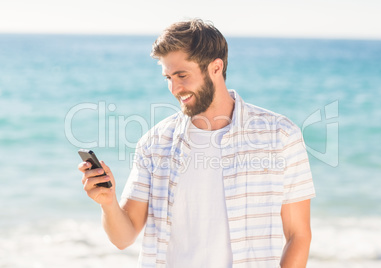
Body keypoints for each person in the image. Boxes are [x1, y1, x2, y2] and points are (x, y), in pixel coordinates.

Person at [79, 19, 315, 268]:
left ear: (216, 68)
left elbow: (298, 235)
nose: (174, 87)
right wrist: (108, 202)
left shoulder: (280, 136)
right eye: (168, 77)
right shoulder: (154, 144)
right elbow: (123, 238)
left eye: (182, 75)